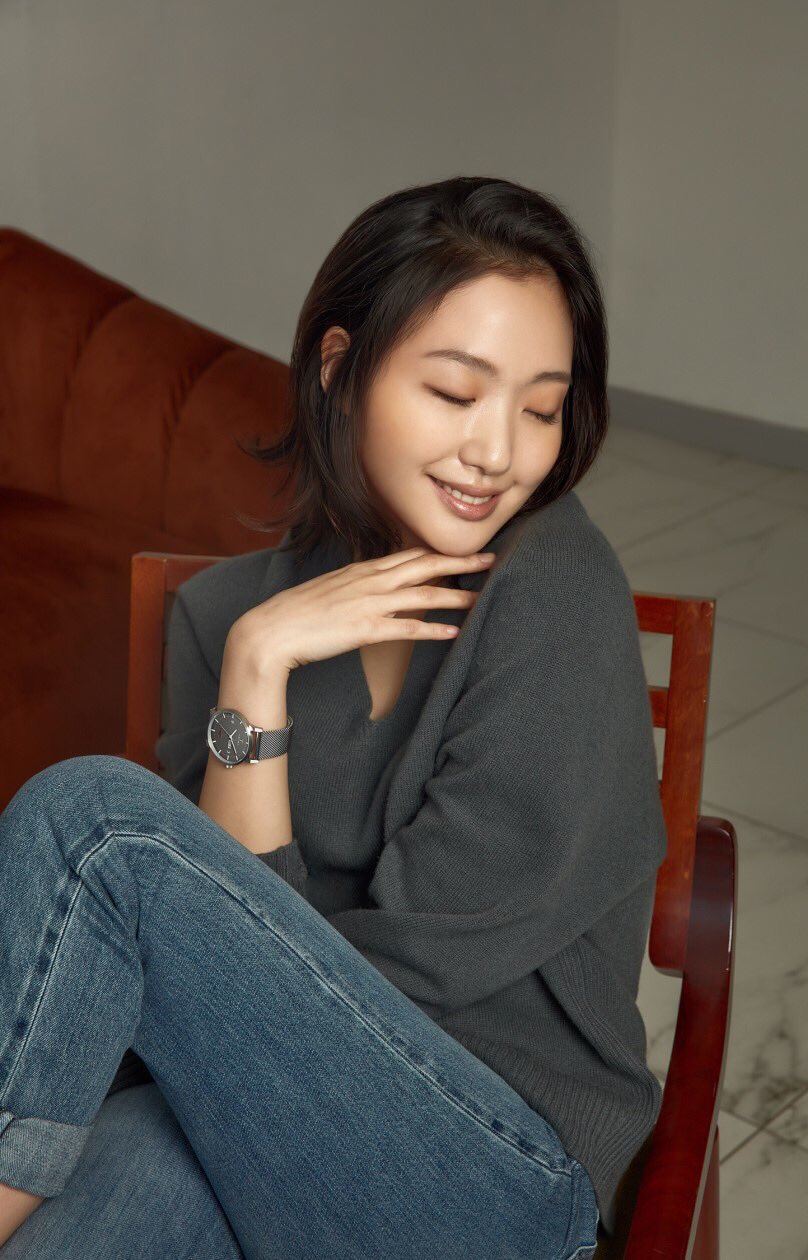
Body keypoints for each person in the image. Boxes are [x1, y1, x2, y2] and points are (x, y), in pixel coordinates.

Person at [0, 175, 666, 1258]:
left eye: (540, 408)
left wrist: (191, 987)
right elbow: (242, 955)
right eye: (455, 392)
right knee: (109, 1199)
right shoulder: (230, 616)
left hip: (496, 1176)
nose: (499, 452)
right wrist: (257, 668)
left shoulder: (555, 586)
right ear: (339, 370)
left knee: (95, 826)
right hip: (279, 1120)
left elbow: (400, 969)